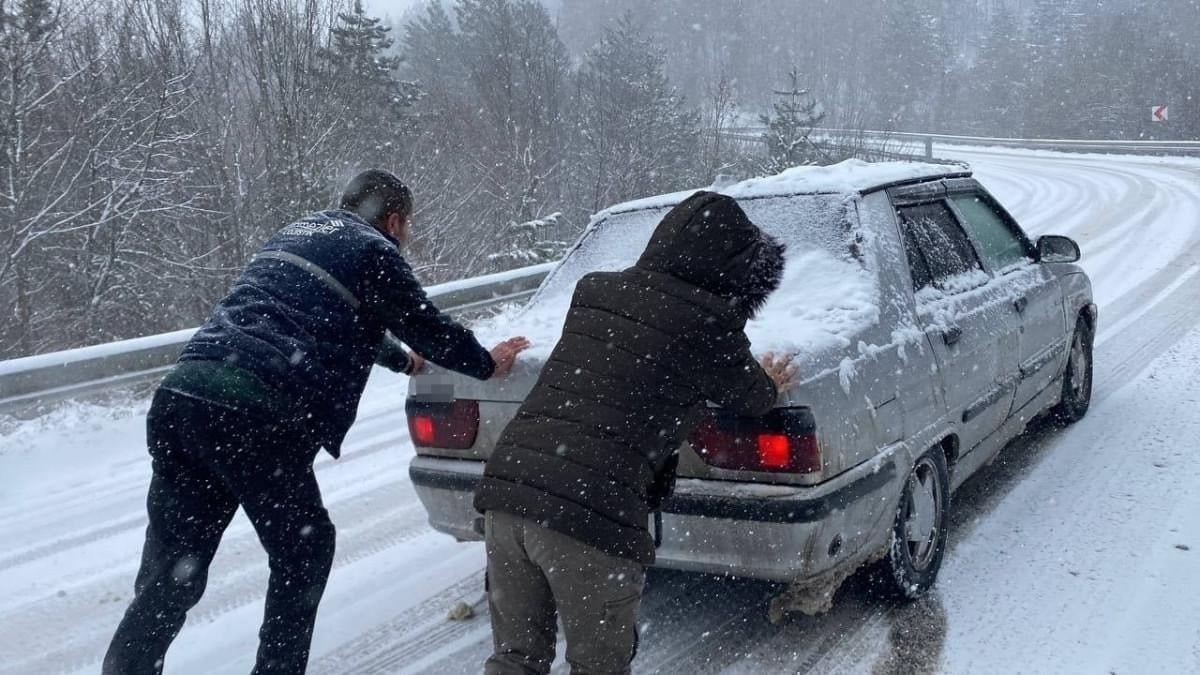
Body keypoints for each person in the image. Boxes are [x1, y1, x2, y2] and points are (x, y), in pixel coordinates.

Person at [103, 169, 529, 674]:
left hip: (183, 396)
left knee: (173, 571)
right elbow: (427, 326)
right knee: (304, 551)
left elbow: (328, 313)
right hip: (256, 412)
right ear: (394, 220)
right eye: (408, 225)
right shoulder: (375, 250)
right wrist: (485, 361)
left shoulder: (301, 233)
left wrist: (402, 361)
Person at [473, 191, 797, 674]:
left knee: (514, 661)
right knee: (598, 667)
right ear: (738, 275)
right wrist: (770, 379)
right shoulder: (708, 325)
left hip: (508, 495)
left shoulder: (595, 291)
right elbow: (751, 397)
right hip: (590, 514)